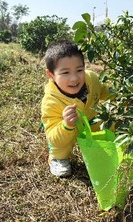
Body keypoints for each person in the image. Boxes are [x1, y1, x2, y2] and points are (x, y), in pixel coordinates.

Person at [41, 40, 110, 177]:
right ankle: (58, 158)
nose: (74, 78)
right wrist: (66, 125)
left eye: (79, 70)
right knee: (61, 143)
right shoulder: (51, 102)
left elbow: (103, 91)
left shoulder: (91, 79)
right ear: (51, 75)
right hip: (65, 129)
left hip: (90, 122)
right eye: (65, 73)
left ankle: (99, 149)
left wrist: (123, 97)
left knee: (107, 125)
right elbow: (53, 137)